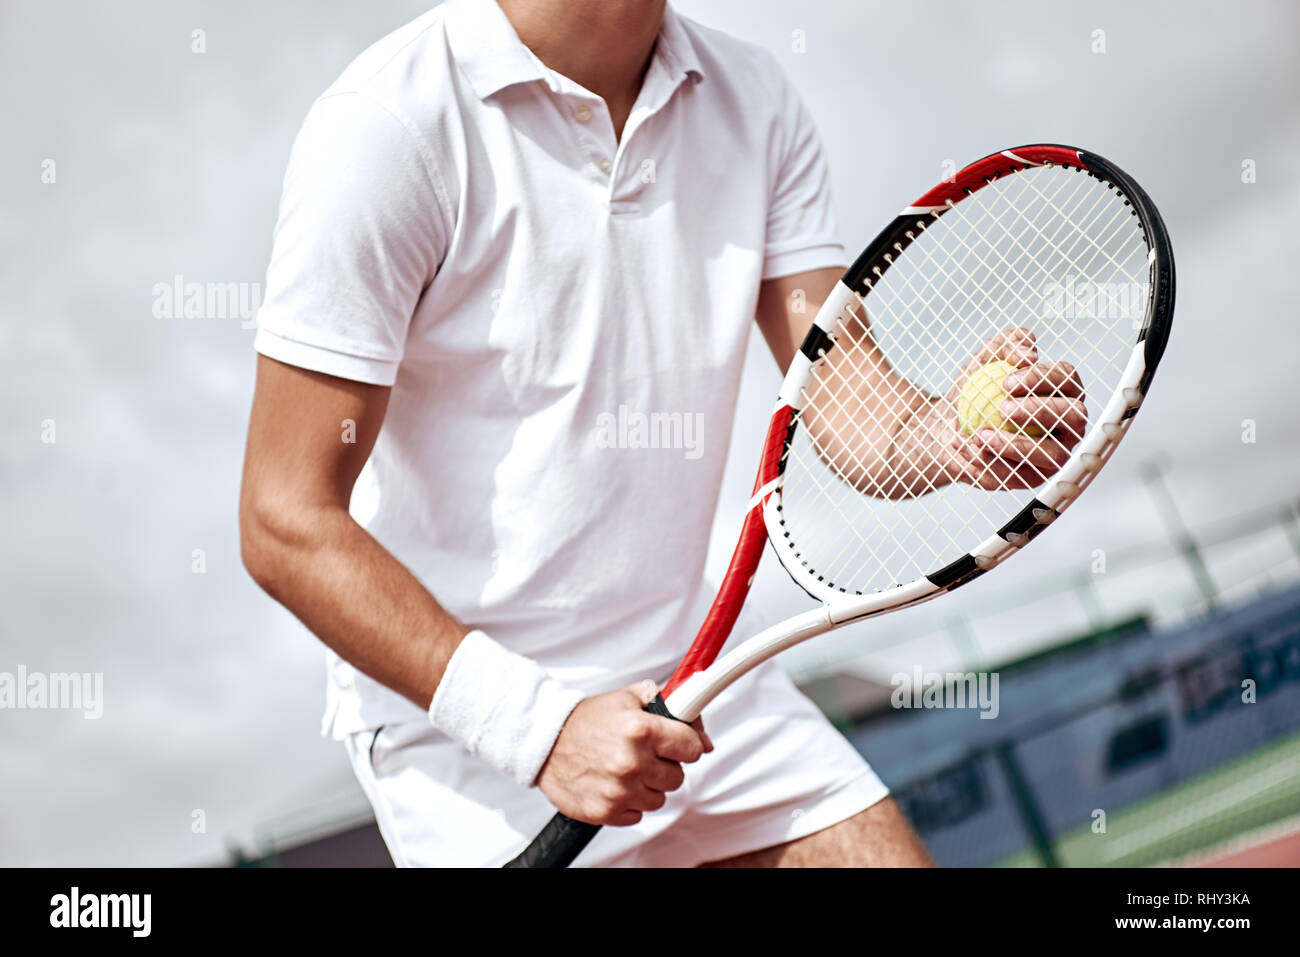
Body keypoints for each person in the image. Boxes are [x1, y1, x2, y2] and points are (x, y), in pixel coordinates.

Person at [239, 0, 1076, 866]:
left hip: (700, 683)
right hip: (468, 735)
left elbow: (847, 399)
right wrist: (541, 730)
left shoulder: (756, 100)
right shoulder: (385, 125)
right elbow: (283, 521)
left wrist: (946, 434)